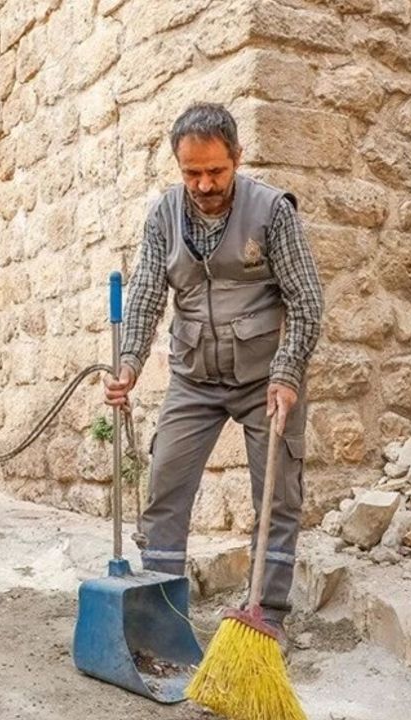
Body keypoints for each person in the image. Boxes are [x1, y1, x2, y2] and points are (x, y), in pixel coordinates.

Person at [104, 102, 324, 638]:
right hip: (193, 377)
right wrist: (129, 362)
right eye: (191, 173)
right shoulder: (163, 215)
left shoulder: (272, 211)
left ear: (237, 158)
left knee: (277, 498)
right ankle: (161, 614)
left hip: (264, 379)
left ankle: (265, 617)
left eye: (215, 172)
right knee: (164, 488)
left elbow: (307, 299)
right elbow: (148, 294)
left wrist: (288, 372)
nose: (203, 184)